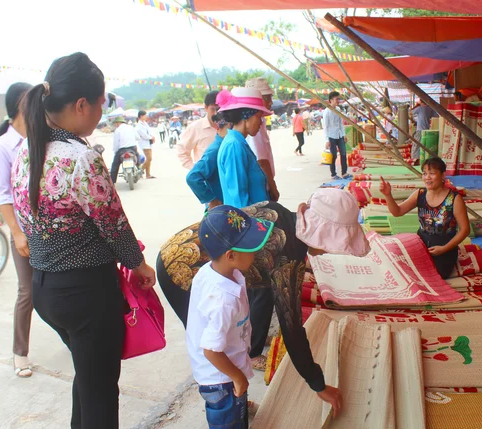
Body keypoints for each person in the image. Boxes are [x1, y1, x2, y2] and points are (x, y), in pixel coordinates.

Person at [11, 52, 156, 429]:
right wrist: (139, 265)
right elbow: (114, 226)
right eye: (101, 101)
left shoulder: (24, 153)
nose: (102, 109)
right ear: (81, 104)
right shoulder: (80, 158)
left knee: (88, 380)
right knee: (101, 392)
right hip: (86, 296)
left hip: (45, 289)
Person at [156, 188, 370, 418]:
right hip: (180, 269)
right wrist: (318, 384)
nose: (331, 250)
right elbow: (292, 330)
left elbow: (266, 291)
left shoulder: (281, 214)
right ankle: (225, 403)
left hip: (180, 245)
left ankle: (232, 394)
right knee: (214, 348)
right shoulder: (287, 256)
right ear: (324, 235)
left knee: (226, 340)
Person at [187, 205, 274, 429]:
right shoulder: (223, 300)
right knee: (229, 422)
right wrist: (237, 377)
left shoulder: (214, 271)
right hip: (221, 381)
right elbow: (211, 350)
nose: (255, 252)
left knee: (238, 418)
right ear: (231, 255)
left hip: (226, 370)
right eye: (250, 248)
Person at [0, 82, 34, 378]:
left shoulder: (38, 138)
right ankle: (20, 352)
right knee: (28, 291)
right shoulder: (2, 146)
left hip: (47, 227)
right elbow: (2, 194)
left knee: (54, 289)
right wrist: (17, 233)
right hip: (22, 231)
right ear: (22, 105)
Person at [381, 157, 470, 279]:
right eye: (424, 173)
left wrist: (444, 249)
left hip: (444, 249)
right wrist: (388, 195)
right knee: (396, 265)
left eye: (432, 173)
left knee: (432, 276)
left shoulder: (454, 199)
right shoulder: (420, 194)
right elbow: (397, 212)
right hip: (420, 245)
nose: (427, 177)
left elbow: (465, 230)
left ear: (443, 175)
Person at [216, 88, 271, 208]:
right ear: (247, 117)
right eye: (259, 117)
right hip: (248, 221)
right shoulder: (234, 146)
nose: (261, 123)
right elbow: (239, 199)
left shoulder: (238, 143)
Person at [245, 78, 280, 202]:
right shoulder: (254, 126)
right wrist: (272, 186)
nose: (270, 102)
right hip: (261, 187)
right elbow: (261, 161)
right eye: (266, 98)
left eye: (270, 98)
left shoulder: (261, 121)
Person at [186, 114, 229, 210]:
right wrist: (212, 200)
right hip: (222, 205)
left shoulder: (226, 145)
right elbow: (193, 177)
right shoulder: (215, 150)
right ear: (228, 125)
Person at [178, 91, 219, 170]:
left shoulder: (228, 126)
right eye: (212, 109)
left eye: (218, 109)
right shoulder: (196, 127)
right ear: (206, 108)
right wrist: (195, 169)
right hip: (206, 177)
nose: (215, 113)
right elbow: (181, 149)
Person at [324, 91, 349, 180]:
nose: (338, 100)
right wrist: (327, 140)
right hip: (331, 136)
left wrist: (344, 134)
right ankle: (333, 174)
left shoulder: (338, 109)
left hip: (339, 135)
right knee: (333, 155)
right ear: (331, 100)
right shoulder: (327, 111)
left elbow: (340, 123)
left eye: (339, 99)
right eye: (336, 99)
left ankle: (344, 173)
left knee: (343, 153)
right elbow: (325, 127)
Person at [110, 116, 141, 183]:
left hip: (122, 150)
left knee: (115, 165)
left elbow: (116, 143)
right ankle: (139, 169)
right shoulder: (131, 127)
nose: (115, 125)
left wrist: (115, 152)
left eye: (115, 123)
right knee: (137, 156)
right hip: (132, 148)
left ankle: (112, 182)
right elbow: (138, 137)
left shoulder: (117, 130)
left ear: (118, 123)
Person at [136, 110, 155, 179]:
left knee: (149, 159)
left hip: (148, 143)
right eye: (145, 115)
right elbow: (144, 135)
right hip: (144, 143)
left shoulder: (144, 123)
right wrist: (151, 137)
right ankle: (140, 171)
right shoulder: (139, 125)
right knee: (149, 158)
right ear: (141, 116)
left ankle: (148, 174)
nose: (146, 116)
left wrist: (152, 137)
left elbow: (149, 131)